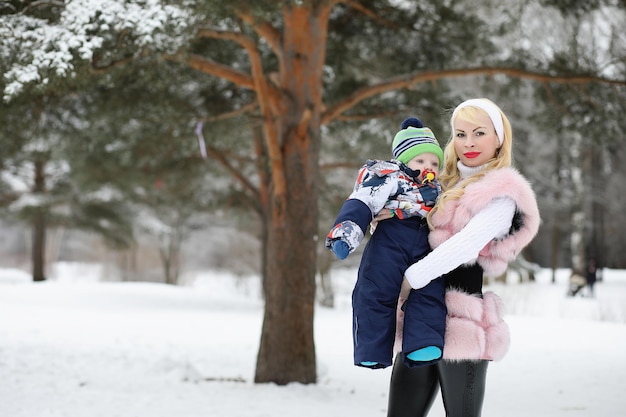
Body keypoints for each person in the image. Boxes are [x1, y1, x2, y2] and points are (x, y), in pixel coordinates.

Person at [385, 98, 541, 417]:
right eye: (460, 133)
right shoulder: (440, 184)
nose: (468, 142)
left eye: (479, 133)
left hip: (464, 326)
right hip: (421, 317)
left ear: (498, 139)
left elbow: (465, 247)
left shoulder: (502, 192)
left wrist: (408, 280)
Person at [326, 117, 446, 369]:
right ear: (402, 159)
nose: (429, 166)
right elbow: (362, 202)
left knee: (429, 290)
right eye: (420, 160)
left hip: (426, 241)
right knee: (374, 290)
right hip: (391, 239)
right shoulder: (390, 176)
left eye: (434, 161)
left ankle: (423, 344)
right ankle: (372, 350)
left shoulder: (439, 189)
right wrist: (347, 234)